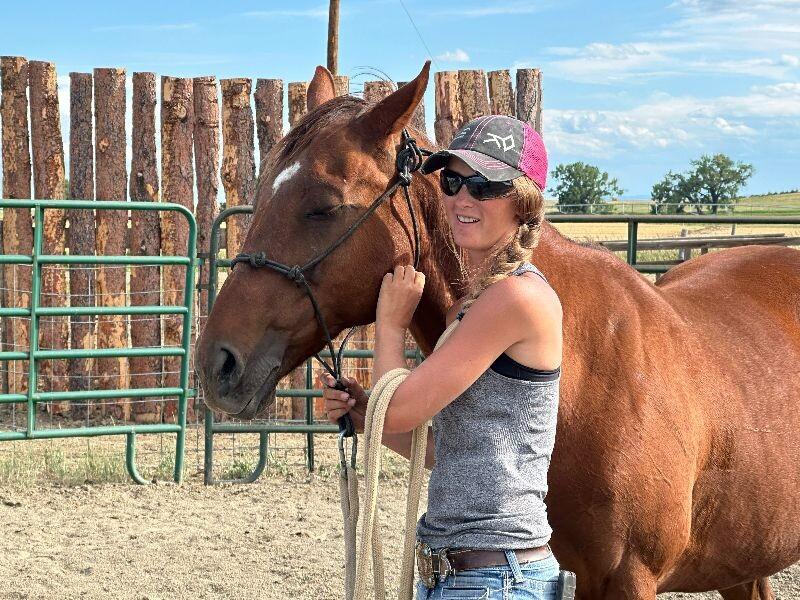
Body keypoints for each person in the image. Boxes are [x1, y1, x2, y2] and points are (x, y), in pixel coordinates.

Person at [321, 114, 564, 600]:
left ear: (523, 201)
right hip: (468, 574)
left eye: (484, 185)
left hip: (494, 578)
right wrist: (366, 415)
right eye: (452, 182)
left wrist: (391, 323)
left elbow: (402, 409)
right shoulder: (473, 306)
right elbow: (448, 452)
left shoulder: (515, 299)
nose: (462, 199)